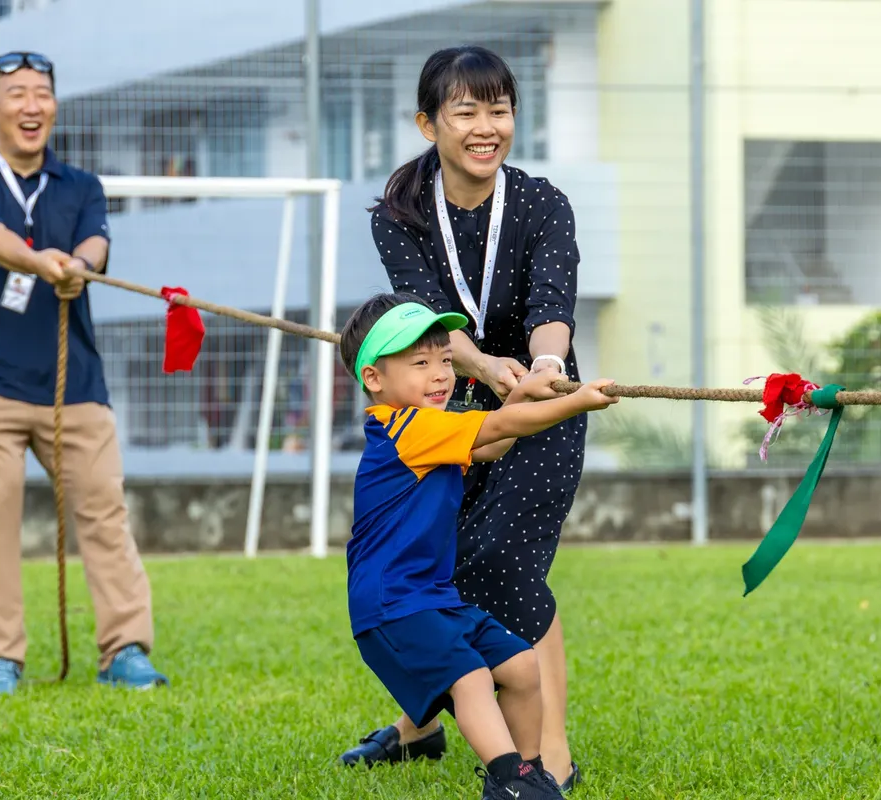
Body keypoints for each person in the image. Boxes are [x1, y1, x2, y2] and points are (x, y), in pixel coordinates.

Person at [340, 45, 588, 791]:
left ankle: (550, 757)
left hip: (542, 405)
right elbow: (423, 313)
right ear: (429, 123)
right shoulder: (401, 214)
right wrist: (477, 370)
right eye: (467, 111)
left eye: (500, 109)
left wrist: (546, 369)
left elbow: (552, 305)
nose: (487, 127)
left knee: (506, 565)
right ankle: (420, 731)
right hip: (442, 394)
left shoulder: (544, 204)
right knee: (439, 566)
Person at [0, 51, 168, 695]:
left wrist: (81, 266)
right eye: (16, 94)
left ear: (54, 106)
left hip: (77, 385)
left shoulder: (81, 186)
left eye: (42, 93)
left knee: (104, 512)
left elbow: (96, 244)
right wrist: (42, 263)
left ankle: (125, 650)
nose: (31, 105)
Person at [337, 292, 618, 799]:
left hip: (434, 599)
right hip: (393, 605)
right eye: (420, 363)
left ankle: (528, 773)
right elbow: (499, 427)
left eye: (445, 359)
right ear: (374, 379)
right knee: (469, 677)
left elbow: (492, 442)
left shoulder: (431, 430)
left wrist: (521, 396)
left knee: (520, 666)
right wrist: (575, 402)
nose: (441, 373)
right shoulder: (404, 427)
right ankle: (510, 779)